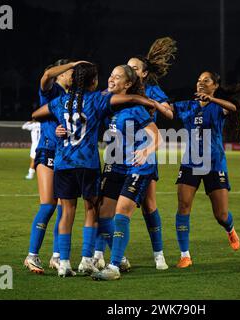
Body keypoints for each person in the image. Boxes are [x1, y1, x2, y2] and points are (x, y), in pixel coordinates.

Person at [32, 62, 159, 277]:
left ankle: (63, 263)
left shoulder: (60, 101)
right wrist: (147, 100)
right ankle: (86, 260)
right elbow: (126, 99)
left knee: (67, 212)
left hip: (63, 164)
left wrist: (57, 127)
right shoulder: (97, 100)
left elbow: (36, 114)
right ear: (94, 82)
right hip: (88, 164)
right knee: (92, 211)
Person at [93, 37, 177, 271]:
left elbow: (166, 119)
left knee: (148, 205)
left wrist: (153, 105)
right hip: (116, 157)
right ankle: (100, 254)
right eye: (126, 66)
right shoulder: (113, 95)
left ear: (140, 75)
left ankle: (157, 254)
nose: (129, 69)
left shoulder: (148, 94)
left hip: (140, 157)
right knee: (106, 209)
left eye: (134, 68)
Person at [91, 65, 162, 281]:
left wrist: (147, 150)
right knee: (103, 214)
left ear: (128, 84)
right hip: (116, 163)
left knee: (122, 212)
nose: (111, 79)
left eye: (117, 77)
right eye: (110, 75)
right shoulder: (108, 105)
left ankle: (113, 267)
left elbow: (157, 136)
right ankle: (120, 257)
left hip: (138, 164)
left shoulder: (135, 109)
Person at [169, 71, 240, 269]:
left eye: (206, 80)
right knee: (183, 206)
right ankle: (185, 255)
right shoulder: (187, 106)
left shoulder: (217, 107)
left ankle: (230, 228)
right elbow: (167, 109)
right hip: (190, 162)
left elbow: (233, 108)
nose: (200, 83)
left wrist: (212, 99)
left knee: (221, 215)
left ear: (215, 85)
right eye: (198, 80)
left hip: (214, 163)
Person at [24, 59, 86, 274]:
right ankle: (32, 256)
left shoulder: (73, 96)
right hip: (48, 151)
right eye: (70, 71)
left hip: (66, 155)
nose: (73, 74)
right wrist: (74, 63)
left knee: (64, 206)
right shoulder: (52, 91)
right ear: (60, 73)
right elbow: (46, 75)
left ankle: (57, 256)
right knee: (48, 204)